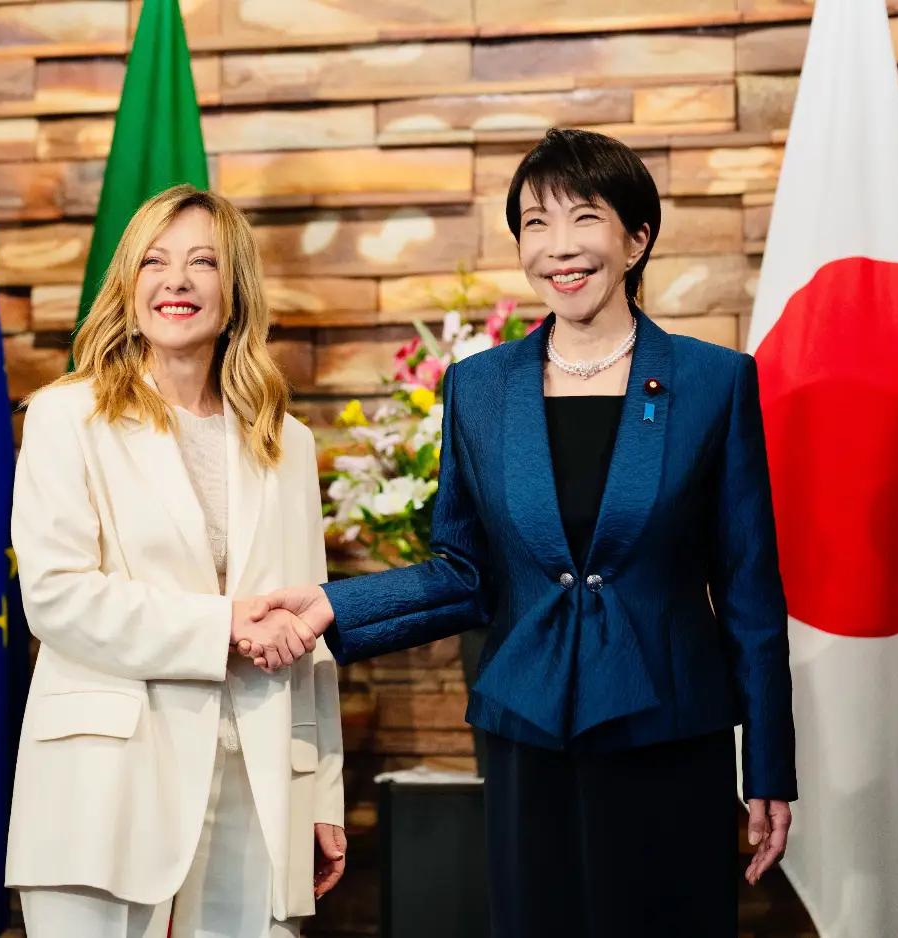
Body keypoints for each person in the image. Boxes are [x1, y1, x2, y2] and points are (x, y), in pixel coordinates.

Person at [247, 129, 797, 938]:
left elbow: (750, 590)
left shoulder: (715, 381)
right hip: (528, 730)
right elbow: (465, 570)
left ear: (637, 238)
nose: (559, 247)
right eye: (536, 224)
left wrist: (770, 765)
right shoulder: (479, 387)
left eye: (585, 218)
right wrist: (333, 605)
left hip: (672, 731)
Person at [5, 184, 346, 938]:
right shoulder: (67, 415)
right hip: (105, 785)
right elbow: (56, 598)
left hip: (256, 783)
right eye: (155, 262)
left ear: (236, 290)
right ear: (129, 288)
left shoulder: (287, 442)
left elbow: (308, 631)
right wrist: (223, 625)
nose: (178, 281)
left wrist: (321, 792)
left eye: (204, 262)